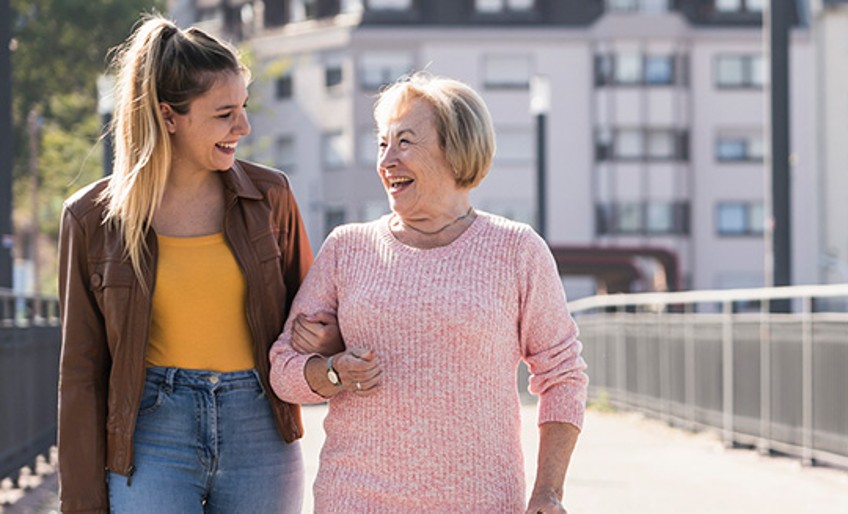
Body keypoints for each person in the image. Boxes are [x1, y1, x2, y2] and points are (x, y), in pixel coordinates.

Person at [269, 72, 588, 513]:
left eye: (405, 142)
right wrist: (334, 372)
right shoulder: (347, 247)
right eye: (382, 144)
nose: (386, 160)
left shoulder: (517, 250)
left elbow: (563, 375)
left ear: (456, 151)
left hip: (481, 502)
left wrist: (548, 491)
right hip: (356, 498)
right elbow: (284, 370)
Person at [57, 15, 334, 513]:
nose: (243, 127)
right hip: (152, 434)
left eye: (243, 109)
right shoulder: (91, 219)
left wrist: (323, 337)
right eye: (224, 113)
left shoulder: (271, 198)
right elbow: (80, 370)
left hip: (261, 428)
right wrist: (80, 502)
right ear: (168, 116)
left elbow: (317, 317)